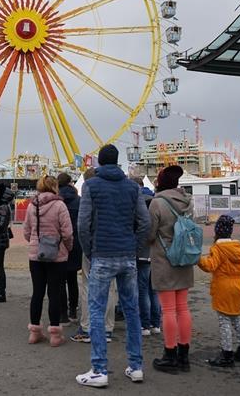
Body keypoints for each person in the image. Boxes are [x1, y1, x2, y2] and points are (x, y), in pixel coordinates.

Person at [76, 144, 149, 387]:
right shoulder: (131, 187)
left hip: (102, 253)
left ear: (99, 162)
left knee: (96, 310)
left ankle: (99, 369)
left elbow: (83, 223)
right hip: (127, 254)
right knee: (131, 310)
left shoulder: (91, 185)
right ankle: (136, 366)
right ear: (118, 161)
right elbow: (144, 221)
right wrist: (135, 248)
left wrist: (90, 250)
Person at [146, 165, 195, 374]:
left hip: (164, 260)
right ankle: (184, 356)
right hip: (184, 258)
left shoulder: (157, 203)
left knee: (168, 310)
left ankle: (170, 354)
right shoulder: (188, 201)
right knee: (183, 307)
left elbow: (149, 234)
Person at [24, 175, 74, 345]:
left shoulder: (32, 205)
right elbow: (67, 232)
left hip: (36, 255)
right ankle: (55, 334)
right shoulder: (60, 205)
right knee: (54, 293)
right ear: (55, 187)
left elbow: (26, 230)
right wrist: (67, 247)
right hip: (57, 255)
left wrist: (34, 242)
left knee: (37, 292)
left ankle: (34, 332)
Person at [71, 168, 119, 344]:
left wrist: (86, 247)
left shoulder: (89, 194)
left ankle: (87, 327)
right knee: (110, 287)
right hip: (114, 245)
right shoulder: (115, 194)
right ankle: (107, 328)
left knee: (88, 286)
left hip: (94, 245)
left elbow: (83, 224)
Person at [198, 215, 240, 367]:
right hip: (239, 286)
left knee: (224, 321)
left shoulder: (218, 248)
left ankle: (226, 354)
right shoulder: (238, 247)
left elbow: (210, 266)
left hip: (224, 287)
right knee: (237, 319)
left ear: (217, 231)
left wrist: (198, 259)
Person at [132, 177, 161, 338]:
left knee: (141, 290)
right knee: (154, 290)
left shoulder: (136, 202)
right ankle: (156, 323)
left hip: (141, 252)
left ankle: (145, 324)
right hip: (155, 252)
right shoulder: (154, 200)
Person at [58, 172, 82, 323]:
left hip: (58, 243)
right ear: (71, 183)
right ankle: (73, 310)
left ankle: (63, 314)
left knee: (60, 280)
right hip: (76, 242)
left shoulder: (56, 201)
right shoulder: (79, 201)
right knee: (72, 278)